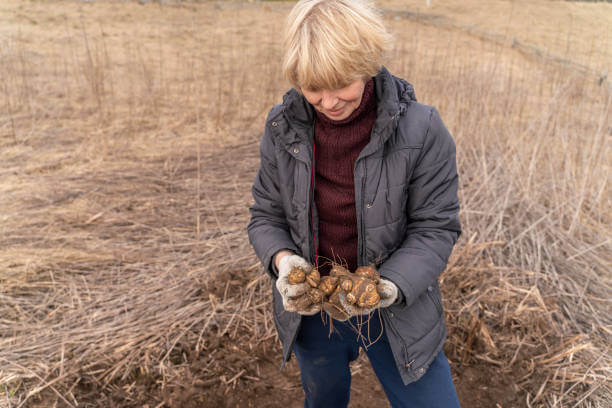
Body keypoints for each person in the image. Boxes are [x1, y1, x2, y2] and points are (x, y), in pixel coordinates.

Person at [247, 0, 461, 406]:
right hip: (313, 308)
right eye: (313, 89)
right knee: (323, 396)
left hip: (397, 306)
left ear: (368, 62)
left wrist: (389, 287)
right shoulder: (282, 129)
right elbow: (265, 216)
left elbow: (435, 228)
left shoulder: (422, 130)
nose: (329, 102)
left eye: (341, 83)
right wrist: (283, 262)